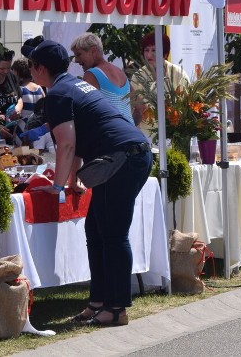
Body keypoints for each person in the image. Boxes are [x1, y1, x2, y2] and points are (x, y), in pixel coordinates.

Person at [29, 40, 151, 327]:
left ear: (40, 69)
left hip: (122, 159)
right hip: (129, 156)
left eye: (32, 67)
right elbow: (80, 142)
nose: (31, 73)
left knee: (113, 234)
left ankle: (116, 309)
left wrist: (58, 187)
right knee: (96, 229)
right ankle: (98, 302)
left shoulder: (58, 94)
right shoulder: (73, 85)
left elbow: (67, 144)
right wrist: (72, 182)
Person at [130, 32, 190, 140]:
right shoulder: (137, 76)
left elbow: (188, 105)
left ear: (165, 53)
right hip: (146, 137)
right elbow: (133, 111)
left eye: (154, 50)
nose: (149, 55)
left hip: (175, 135)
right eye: (146, 50)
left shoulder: (178, 73)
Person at [71, 32, 134, 124]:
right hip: (130, 133)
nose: (76, 60)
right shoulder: (121, 73)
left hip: (110, 135)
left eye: (78, 54)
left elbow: (80, 110)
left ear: (93, 51)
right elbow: (140, 107)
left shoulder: (92, 74)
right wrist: (130, 127)